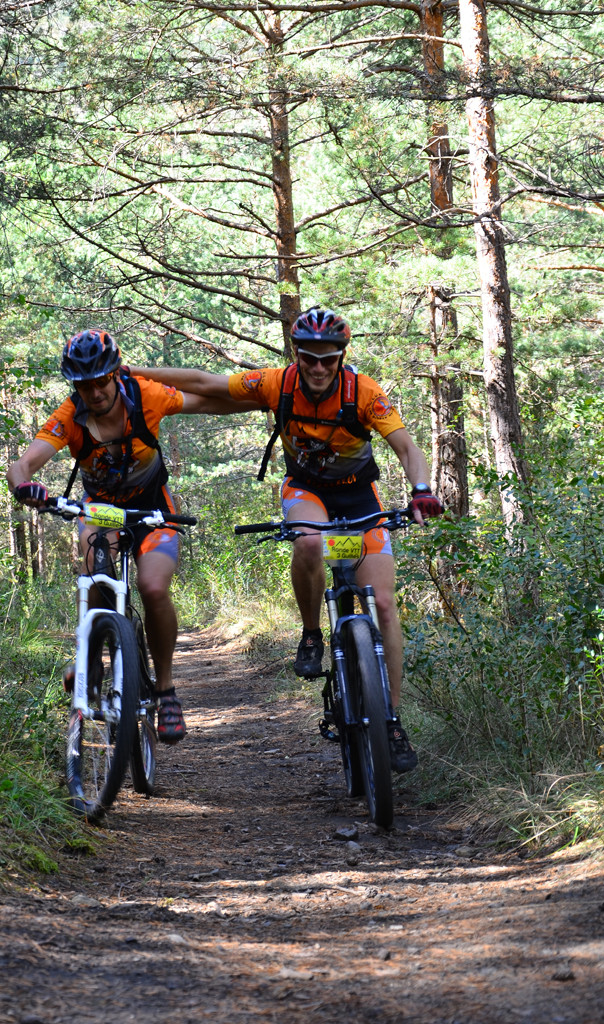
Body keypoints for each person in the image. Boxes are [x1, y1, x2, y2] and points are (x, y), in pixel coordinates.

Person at [131, 308, 442, 772]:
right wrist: (131, 373)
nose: (318, 367)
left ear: (341, 357)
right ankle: (313, 634)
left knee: (384, 605)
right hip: (307, 491)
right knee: (310, 542)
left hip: (360, 498)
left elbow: (406, 447)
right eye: (309, 357)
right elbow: (207, 381)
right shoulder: (277, 383)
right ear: (297, 354)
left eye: (328, 359)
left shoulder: (365, 393)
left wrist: (421, 492)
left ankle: (392, 719)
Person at [7, 329, 249, 745]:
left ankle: (167, 690)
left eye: (101, 381)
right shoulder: (70, 416)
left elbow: (207, 401)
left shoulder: (146, 396)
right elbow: (24, 463)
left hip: (154, 506)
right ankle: (92, 664)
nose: (95, 392)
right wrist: (26, 488)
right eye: (84, 385)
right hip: (100, 510)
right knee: (93, 578)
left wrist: (256, 400)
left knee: (152, 587)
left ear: (115, 374)